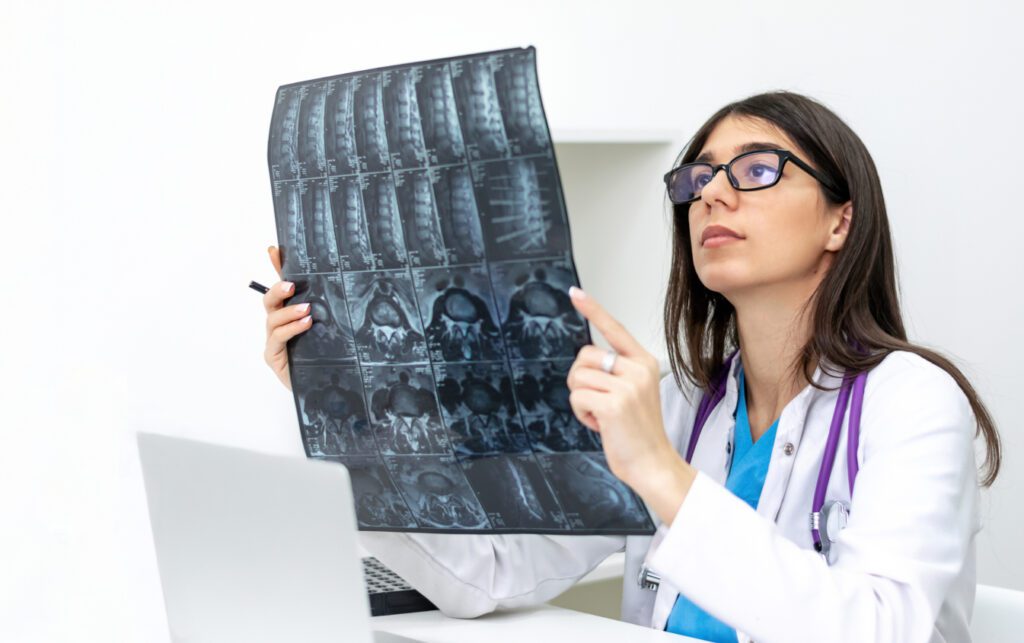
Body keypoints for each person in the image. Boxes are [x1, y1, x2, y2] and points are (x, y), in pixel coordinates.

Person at [260, 90, 1000, 642]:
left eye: (756, 169)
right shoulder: (683, 402)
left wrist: (662, 474)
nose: (711, 192)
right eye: (697, 179)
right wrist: (338, 408)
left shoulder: (914, 402)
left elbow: (878, 628)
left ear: (841, 218)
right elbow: (484, 574)